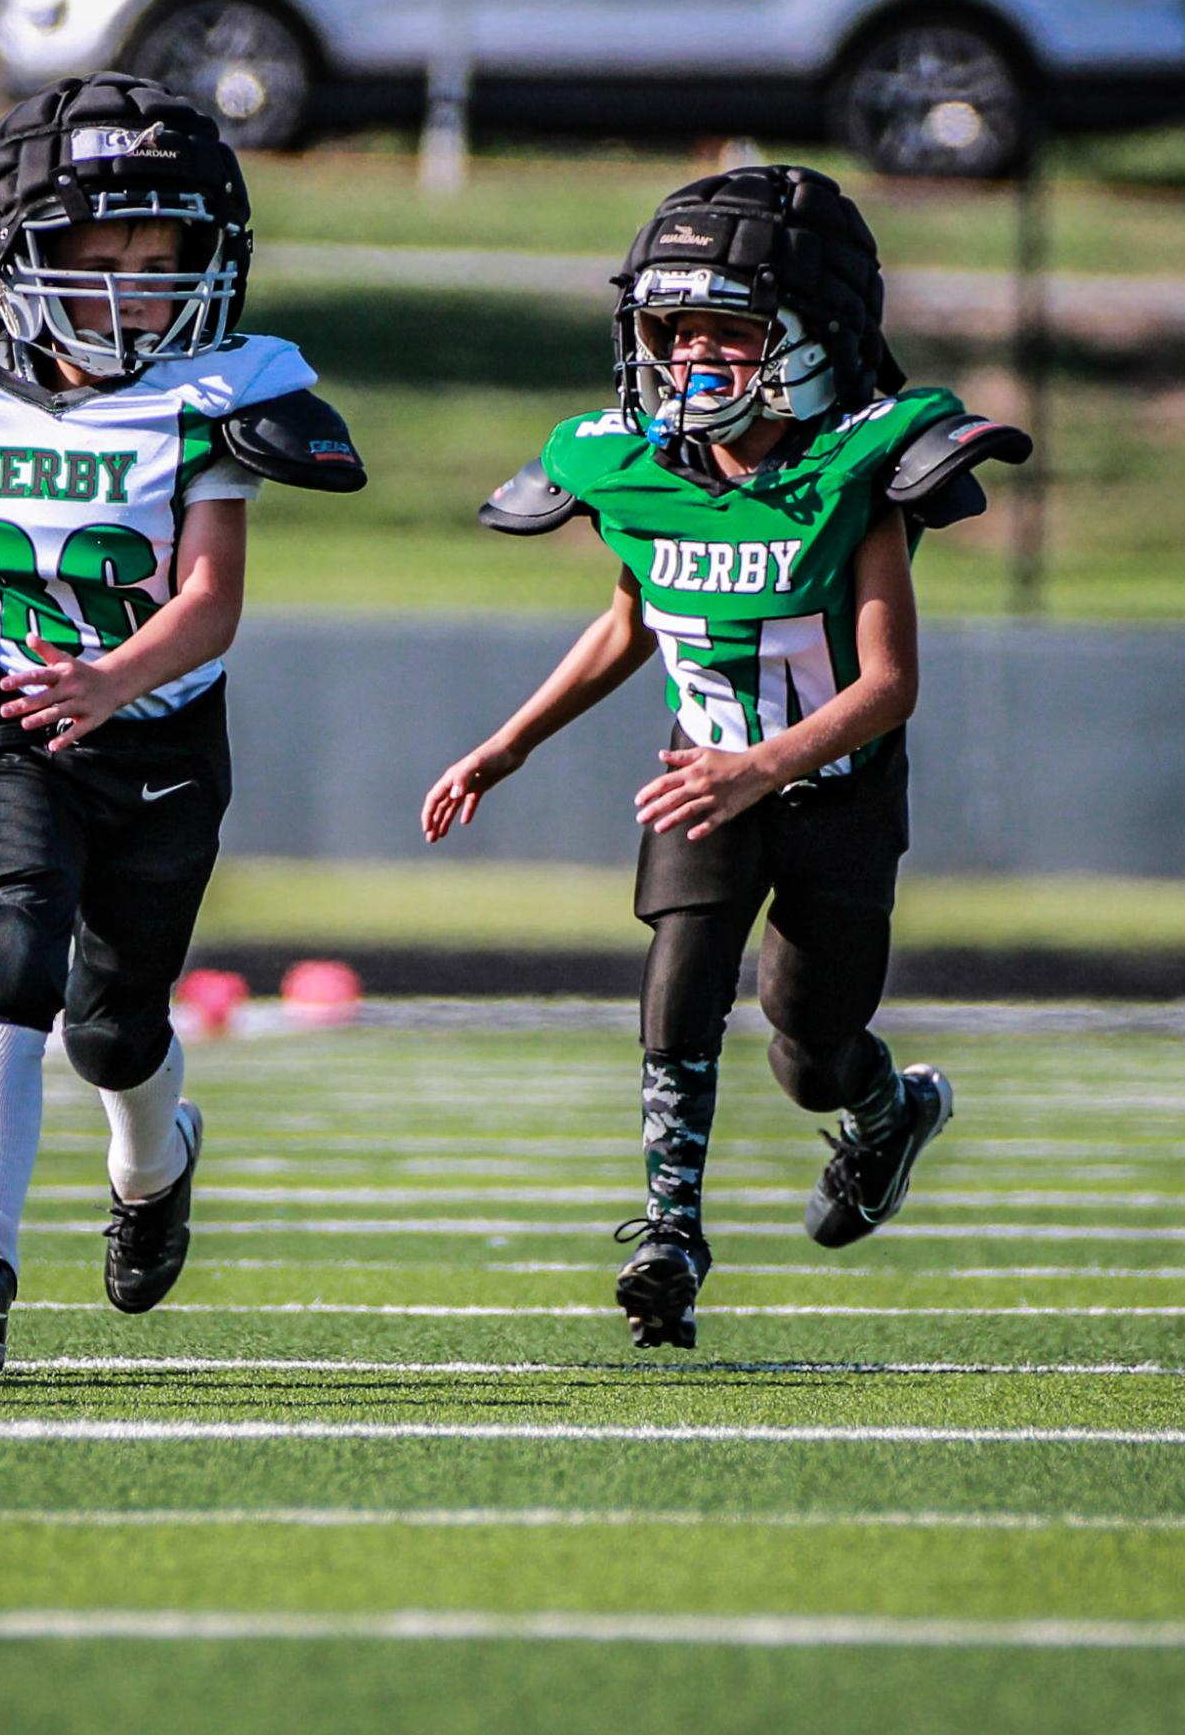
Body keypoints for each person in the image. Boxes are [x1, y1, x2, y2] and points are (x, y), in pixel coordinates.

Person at [421, 166, 1027, 1350]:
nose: (690, 356)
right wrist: (506, 746)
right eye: (671, 327)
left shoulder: (861, 471)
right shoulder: (634, 471)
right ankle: (668, 1237)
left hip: (832, 787)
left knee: (809, 1045)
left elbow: (890, 685)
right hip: (700, 769)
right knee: (680, 980)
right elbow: (627, 622)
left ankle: (888, 1111)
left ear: (810, 340)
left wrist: (767, 768)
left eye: (727, 331)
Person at [0, 73, 364, 1372]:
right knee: (6, 956)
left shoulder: (211, 393)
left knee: (114, 1026)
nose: (128, 288)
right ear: (16, 256)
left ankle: (149, 1171)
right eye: (95, 256)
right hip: (12, 715)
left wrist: (113, 681)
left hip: (156, 737)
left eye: (156, 259)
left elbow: (211, 601)